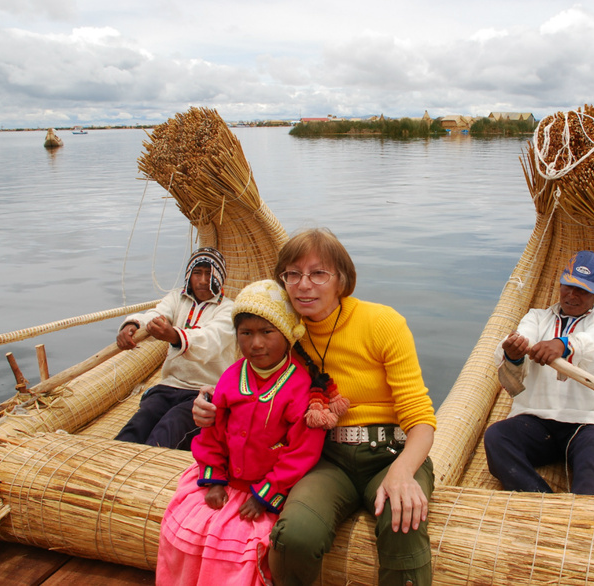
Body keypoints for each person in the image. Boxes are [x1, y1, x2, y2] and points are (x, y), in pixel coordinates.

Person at [194, 227, 437, 586]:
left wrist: (402, 472)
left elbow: (420, 416)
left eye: (318, 273)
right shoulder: (283, 332)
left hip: (389, 450)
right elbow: (245, 382)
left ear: (342, 279)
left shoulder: (383, 323)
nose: (304, 284)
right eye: (293, 274)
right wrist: (206, 402)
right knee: (295, 535)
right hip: (325, 459)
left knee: (402, 520)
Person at [156, 279, 326, 585]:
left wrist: (264, 495)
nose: (256, 344)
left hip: (269, 489)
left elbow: (302, 450)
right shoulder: (232, 377)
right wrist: (215, 479)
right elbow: (213, 433)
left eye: (266, 332)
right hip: (226, 481)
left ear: (287, 336)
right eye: (246, 333)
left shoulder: (299, 386)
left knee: (241, 550)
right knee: (185, 530)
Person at [484, 250, 594, 496]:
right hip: (538, 421)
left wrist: (564, 345)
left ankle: (584, 512)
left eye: (582, 290)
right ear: (560, 284)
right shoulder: (537, 317)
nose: (572, 295)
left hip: (588, 423)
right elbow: (523, 338)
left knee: (592, 476)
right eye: (568, 286)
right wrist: (514, 352)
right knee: (497, 437)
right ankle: (541, 499)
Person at [115, 247, 235, 450]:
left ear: (220, 277)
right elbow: (155, 314)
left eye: (210, 273)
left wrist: (173, 335)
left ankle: (144, 476)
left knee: (169, 429)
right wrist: (133, 325)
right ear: (189, 276)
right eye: (198, 273)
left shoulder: (229, 309)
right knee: (138, 424)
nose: (204, 280)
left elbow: (210, 340)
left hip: (203, 390)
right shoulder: (176, 299)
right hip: (169, 386)